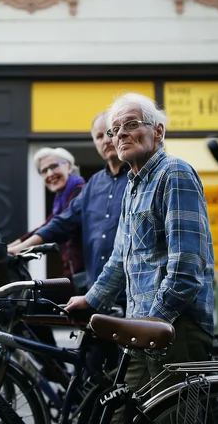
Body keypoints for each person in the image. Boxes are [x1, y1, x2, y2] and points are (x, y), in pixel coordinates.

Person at [66, 93, 215, 391]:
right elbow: (120, 260)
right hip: (145, 329)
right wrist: (91, 300)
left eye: (130, 124)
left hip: (175, 327)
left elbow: (186, 269)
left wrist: (151, 321)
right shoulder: (132, 186)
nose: (119, 133)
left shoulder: (174, 173)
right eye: (114, 129)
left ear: (158, 131)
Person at [8, 116, 129, 293]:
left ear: (69, 166)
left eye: (110, 133)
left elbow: (53, 224)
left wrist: (16, 248)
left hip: (124, 285)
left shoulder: (81, 189)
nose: (106, 140)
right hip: (95, 286)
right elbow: (56, 223)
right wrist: (14, 248)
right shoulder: (93, 185)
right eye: (99, 136)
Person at [8, 147, 85, 282]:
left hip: (87, 277)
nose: (50, 174)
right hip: (74, 275)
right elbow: (43, 227)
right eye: (44, 170)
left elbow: (57, 226)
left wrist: (19, 249)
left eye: (54, 166)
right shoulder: (61, 200)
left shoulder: (80, 192)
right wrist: (6, 248)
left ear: (69, 167)